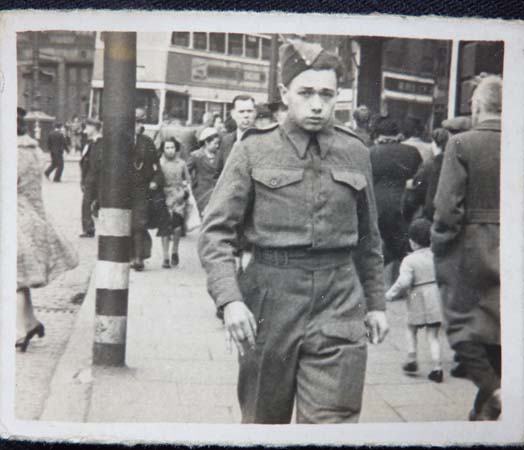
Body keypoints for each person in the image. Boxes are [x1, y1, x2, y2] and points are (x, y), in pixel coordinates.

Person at [198, 39, 388, 424]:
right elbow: (215, 233)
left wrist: (376, 303)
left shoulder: (355, 152)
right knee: (263, 421)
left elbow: (369, 238)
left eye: (326, 94)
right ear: (285, 94)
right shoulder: (253, 150)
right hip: (270, 300)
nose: (317, 104)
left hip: (339, 300)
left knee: (332, 424)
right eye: (306, 93)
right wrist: (230, 299)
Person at [431, 75, 502, 421]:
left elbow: (447, 209)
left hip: (472, 246)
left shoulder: (461, 144)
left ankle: (495, 392)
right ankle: (485, 408)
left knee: (461, 326)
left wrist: (441, 246)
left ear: (476, 107)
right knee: (500, 328)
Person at [17, 107, 78, 352]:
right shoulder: (32, 150)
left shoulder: (12, 152)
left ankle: (19, 331)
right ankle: (30, 323)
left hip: (13, 216)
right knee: (19, 276)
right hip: (30, 216)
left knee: (12, 276)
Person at [386, 218, 443, 383]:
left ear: (412, 242)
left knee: (411, 328)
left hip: (417, 296)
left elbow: (403, 282)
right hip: (435, 296)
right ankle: (437, 368)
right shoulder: (436, 256)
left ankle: (412, 358)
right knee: (433, 335)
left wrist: (390, 294)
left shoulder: (409, 260)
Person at [369, 117, 422, 280]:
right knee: (402, 244)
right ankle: (401, 278)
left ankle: (378, 279)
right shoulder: (412, 152)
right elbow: (419, 179)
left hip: (377, 205)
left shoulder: (371, 152)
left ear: (378, 134)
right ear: (397, 133)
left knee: (380, 244)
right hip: (405, 204)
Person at [130, 108, 164, 271]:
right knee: (126, 224)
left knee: (139, 223)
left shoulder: (147, 142)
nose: (138, 125)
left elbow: (156, 167)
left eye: (140, 122)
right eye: (135, 122)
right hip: (122, 190)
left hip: (141, 189)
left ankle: (139, 257)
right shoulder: (120, 141)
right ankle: (128, 255)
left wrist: (155, 181)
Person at [402, 127, 450, 223]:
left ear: (434, 144)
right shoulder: (455, 162)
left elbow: (416, 192)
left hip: (431, 215)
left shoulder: (430, 165)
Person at [157, 138, 191, 268]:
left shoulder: (181, 163)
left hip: (178, 197)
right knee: (165, 227)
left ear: (176, 149)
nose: (170, 150)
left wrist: (185, 191)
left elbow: (187, 180)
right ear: (163, 149)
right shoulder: (159, 163)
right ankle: (165, 257)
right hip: (164, 197)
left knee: (177, 227)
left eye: (172, 147)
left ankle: (175, 251)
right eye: (167, 148)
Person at [215, 94, 257, 177]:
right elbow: (218, 174)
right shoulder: (226, 141)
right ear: (233, 114)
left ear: (255, 113)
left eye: (249, 111)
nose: (246, 115)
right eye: (241, 111)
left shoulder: (264, 140)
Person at [188, 127, 220, 216]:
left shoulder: (220, 155)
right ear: (206, 142)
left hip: (217, 190)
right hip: (202, 191)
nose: (217, 146)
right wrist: (191, 182)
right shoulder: (196, 155)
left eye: (218, 143)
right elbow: (186, 171)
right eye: (215, 143)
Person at [79, 118, 103, 238]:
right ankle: (88, 229)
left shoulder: (102, 143)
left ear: (94, 128)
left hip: (99, 179)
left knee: (101, 204)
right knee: (86, 203)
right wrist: (83, 179)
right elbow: (84, 162)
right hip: (90, 178)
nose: (85, 130)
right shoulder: (89, 143)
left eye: (87, 127)